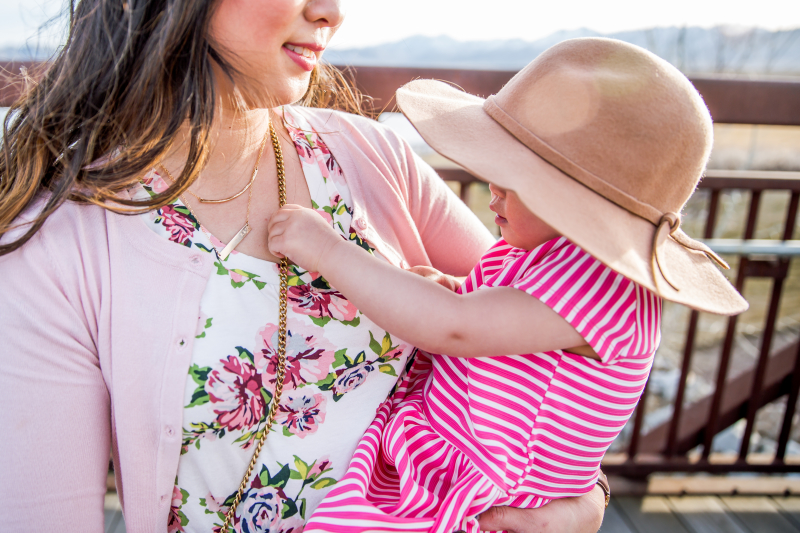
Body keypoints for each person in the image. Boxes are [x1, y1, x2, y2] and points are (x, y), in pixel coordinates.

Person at [0, 1, 608, 532]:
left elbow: (562, 342)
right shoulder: (61, 241)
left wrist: (586, 497)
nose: (333, 12)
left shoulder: (374, 158)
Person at [265, 38, 749, 533]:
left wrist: (326, 251)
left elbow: (456, 327)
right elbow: (509, 319)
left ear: (581, 204)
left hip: (484, 497)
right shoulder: (552, 256)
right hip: (450, 459)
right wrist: (453, 285)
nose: (491, 185)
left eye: (513, 177)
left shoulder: (607, 287)